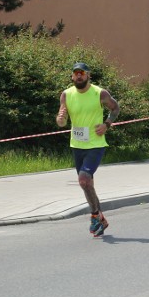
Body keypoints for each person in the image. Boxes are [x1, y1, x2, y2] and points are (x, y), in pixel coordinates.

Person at [55, 62, 120, 238]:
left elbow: (115, 108)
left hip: (95, 144)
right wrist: (60, 119)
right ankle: (100, 217)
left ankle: (93, 216)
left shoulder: (100, 93)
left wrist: (107, 124)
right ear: (72, 77)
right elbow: (62, 121)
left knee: (83, 180)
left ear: (88, 75)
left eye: (82, 73)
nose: (79, 76)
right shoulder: (66, 95)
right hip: (77, 145)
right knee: (87, 184)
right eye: (76, 73)